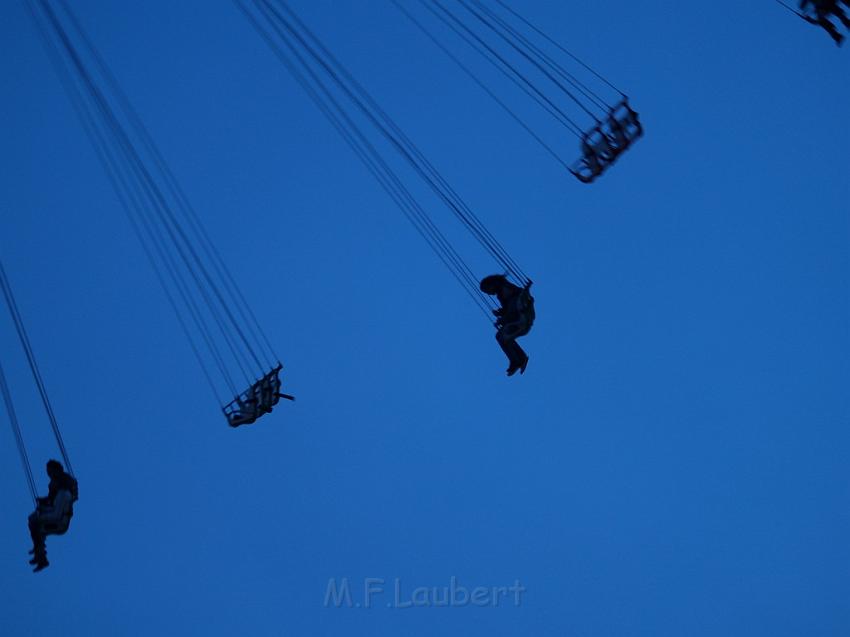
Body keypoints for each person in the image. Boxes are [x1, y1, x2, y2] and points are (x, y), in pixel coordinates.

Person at [27, 459, 78, 572]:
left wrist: (42, 514)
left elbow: (57, 513)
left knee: (36, 523)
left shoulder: (64, 491)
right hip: (57, 516)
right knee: (33, 521)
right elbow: (51, 499)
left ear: (56, 470)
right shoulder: (54, 484)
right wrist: (43, 502)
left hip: (60, 521)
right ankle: (39, 552)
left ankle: (40, 554)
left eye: (50, 471)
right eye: (48, 472)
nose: (49, 474)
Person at [480, 274, 534, 376]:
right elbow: (509, 307)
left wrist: (503, 318)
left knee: (503, 337)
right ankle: (520, 357)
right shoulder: (503, 293)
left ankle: (517, 360)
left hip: (522, 320)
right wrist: (501, 313)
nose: (489, 294)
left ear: (493, 284)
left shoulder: (505, 290)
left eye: (488, 291)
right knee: (502, 336)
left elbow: (513, 307)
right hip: (520, 319)